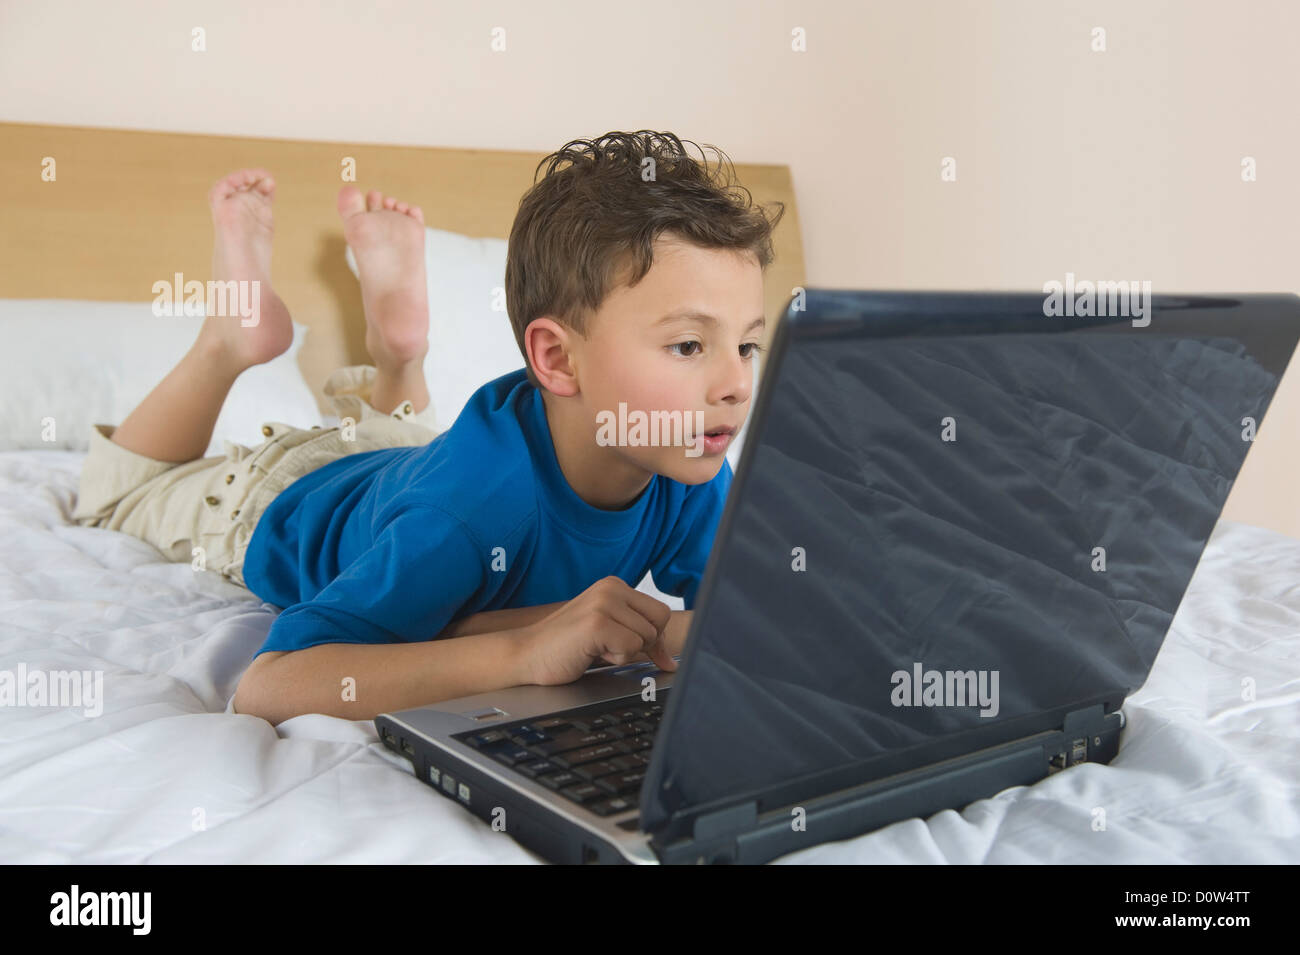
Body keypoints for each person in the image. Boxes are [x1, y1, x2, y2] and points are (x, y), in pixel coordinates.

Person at [72, 131, 784, 723]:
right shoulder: (470, 511)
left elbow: (732, 610)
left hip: (411, 458)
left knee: (407, 441)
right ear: (558, 359)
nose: (735, 384)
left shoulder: (684, 454)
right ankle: (230, 340)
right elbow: (272, 683)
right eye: (690, 345)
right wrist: (521, 652)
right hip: (278, 494)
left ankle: (399, 353)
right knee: (115, 489)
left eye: (747, 345)